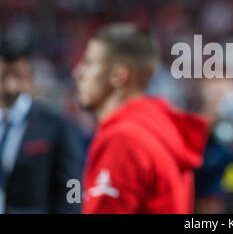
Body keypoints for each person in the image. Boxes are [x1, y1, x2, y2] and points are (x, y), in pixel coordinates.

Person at [73, 23, 209, 213]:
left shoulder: (123, 139)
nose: (78, 73)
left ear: (118, 75)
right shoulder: (161, 130)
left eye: (88, 63)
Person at [0, 43, 83, 213]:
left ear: (30, 78)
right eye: (3, 77)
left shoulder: (56, 126)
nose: (11, 87)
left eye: (18, 77)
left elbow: (72, 183)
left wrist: (72, 210)